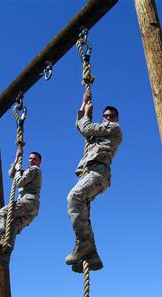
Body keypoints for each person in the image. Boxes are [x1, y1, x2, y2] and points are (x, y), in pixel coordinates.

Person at [66, 90, 122, 273]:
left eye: (111, 116)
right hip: (90, 173)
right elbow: (80, 125)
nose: (107, 118)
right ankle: (93, 256)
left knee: (74, 197)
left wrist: (87, 114)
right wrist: (84, 105)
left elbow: (86, 128)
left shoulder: (114, 129)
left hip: (98, 173)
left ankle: (82, 243)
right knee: (83, 211)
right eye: (105, 116)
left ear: (116, 118)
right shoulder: (99, 134)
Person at [0, 149, 42, 266]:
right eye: (30, 158)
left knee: (0, 214)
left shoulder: (34, 170)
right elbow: (11, 174)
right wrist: (17, 159)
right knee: (12, 227)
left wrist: (18, 170)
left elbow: (18, 182)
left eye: (34, 159)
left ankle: (3, 238)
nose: (31, 161)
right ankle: (6, 256)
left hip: (28, 202)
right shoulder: (28, 170)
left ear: (39, 162)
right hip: (33, 209)